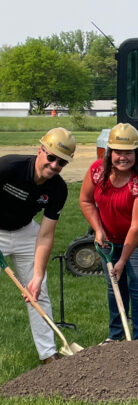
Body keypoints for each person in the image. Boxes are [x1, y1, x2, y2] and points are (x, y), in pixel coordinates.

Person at [80, 123, 138, 342]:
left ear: (136, 152)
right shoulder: (97, 171)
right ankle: (115, 336)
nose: (123, 157)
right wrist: (99, 231)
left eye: (128, 152)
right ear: (110, 152)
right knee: (115, 286)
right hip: (109, 239)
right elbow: (86, 201)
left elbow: (137, 227)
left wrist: (122, 261)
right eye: (118, 152)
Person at [0, 128, 76, 364]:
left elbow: (45, 235)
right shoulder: (9, 167)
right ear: (40, 151)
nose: (54, 165)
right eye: (51, 157)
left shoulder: (58, 189)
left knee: (38, 291)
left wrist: (37, 275)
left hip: (25, 232)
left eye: (61, 162)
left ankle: (48, 354)